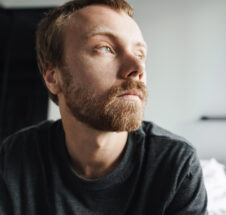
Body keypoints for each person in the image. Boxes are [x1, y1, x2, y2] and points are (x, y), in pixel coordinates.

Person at [0, 0, 208, 214]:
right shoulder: (14, 158)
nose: (137, 69)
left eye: (140, 54)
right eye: (105, 48)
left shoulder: (175, 165)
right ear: (53, 77)